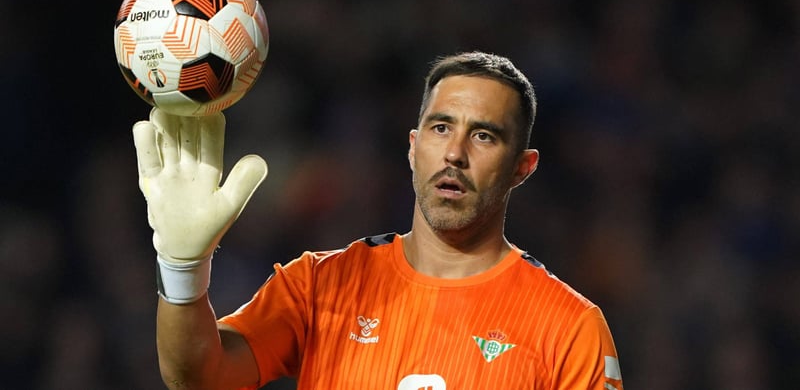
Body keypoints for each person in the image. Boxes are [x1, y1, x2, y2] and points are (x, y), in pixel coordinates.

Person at [132, 51, 624, 390]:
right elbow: (196, 377)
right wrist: (182, 267)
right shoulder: (320, 286)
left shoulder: (568, 328)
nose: (454, 152)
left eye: (483, 136)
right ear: (413, 147)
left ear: (522, 167)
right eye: (441, 127)